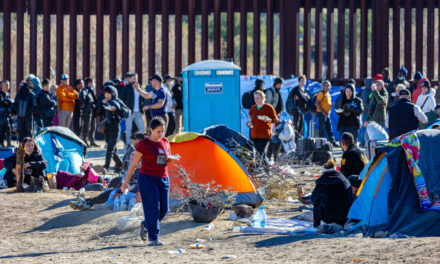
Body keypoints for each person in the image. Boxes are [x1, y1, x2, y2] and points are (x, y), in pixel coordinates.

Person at [121, 117, 176, 246]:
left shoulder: (166, 141)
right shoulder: (143, 144)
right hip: (147, 179)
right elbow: (134, 164)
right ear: (150, 130)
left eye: (162, 131)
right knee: (153, 209)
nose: (160, 134)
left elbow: (165, 159)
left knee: (164, 210)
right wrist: (125, 182)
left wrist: (172, 160)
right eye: (158, 131)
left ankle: (146, 224)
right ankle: (153, 238)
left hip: (163, 178)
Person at [311, 160, 354, 228]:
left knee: (317, 202)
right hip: (343, 216)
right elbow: (350, 199)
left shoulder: (321, 183)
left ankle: (316, 225)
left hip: (326, 216)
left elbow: (313, 199)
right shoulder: (344, 181)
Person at [97, 85, 126, 173]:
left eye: (108, 93)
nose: (107, 95)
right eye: (105, 93)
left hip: (115, 127)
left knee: (110, 148)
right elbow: (98, 112)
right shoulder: (105, 101)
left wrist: (115, 109)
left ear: (113, 94)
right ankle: (119, 164)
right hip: (107, 127)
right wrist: (102, 104)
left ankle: (106, 167)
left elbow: (124, 111)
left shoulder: (117, 101)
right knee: (113, 149)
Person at [247, 90, 279, 164]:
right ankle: (267, 168)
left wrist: (267, 119)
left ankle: (258, 168)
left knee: (259, 151)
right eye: (255, 98)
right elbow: (249, 120)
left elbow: (275, 120)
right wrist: (248, 123)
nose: (256, 100)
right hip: (254, 134)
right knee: (260, 153)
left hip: (265, 134)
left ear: (263, 98)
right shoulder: (253, 108)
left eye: (258, 98)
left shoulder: (269, 107)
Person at [120, 73, 145, 146]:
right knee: (128, 130)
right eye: (133, 78)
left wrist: (142, 106)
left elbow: (143, 98)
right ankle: (128, 145)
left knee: (142, 129)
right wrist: (125, 110)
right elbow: (121, 99)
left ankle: (142, 144)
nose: (134, 80)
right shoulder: (126, 88)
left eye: (136, 78)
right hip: (129, 113)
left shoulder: (139, 87)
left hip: (138, 113)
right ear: (130, 79)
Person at [315, 80, 338, 147]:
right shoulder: (321, 93)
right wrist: (323, 112)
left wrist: (327, 112)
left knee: (329, 128)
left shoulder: (328, 94)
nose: (327, 87)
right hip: (321, 113)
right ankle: (321, 143)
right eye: (326, 85)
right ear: (323, 86)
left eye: (329, 86)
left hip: (327, 114)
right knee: (322, 128)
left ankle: (332, 142)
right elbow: (317, 103)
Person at [78, 78, 97, 146]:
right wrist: (84, 104)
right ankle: (85, 141)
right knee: (87, 127)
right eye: (92, 82)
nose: (93, 84)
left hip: (92, 111)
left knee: (93, 127)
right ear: (89, 83)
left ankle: (92, 141)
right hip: (87, 111)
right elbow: (81, 96)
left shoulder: (90, 90)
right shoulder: (85, 90)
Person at [0, 81, 13, 147]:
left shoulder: (8, 94)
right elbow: (2, 102)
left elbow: (9, 103)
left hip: (7, 115)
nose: (7, 87)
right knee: (1, 131)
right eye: (6, 85)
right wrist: (6, 102)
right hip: (1, 115)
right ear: (1, 86)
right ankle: (1, 143)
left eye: (8, 85)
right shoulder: (0, 94)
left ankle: (9, 143)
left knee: (8, 130)